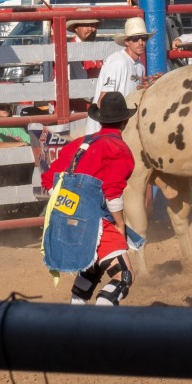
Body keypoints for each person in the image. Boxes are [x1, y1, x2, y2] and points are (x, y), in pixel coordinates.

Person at [41, 92, 136, 306]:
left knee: (92, 264)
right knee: (124, 275)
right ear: (125, 120)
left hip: (63, 219)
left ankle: (77, 317)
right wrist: (120, 225)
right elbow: (112, 192)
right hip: (95, 221)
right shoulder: (118, 149)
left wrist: (68, 206)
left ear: (100, 119)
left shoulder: (79, 144)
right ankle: (98, 324)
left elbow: (48, 180)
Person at [85, 17, 155, 135]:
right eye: (135, 38)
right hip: (108, 128)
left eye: (143, 38)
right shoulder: (118, 62)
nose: (140, 42)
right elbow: (103, 100)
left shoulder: (139, 66)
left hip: (120, 126)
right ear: (127, 42)